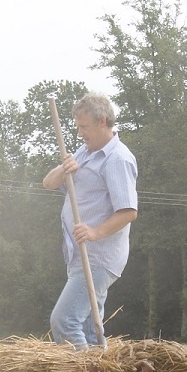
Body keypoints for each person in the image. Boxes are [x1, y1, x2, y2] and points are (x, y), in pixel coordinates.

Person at [40, 93, 138, 348]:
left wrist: (95, 232)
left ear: (102, 122)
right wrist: (64, 168)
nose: (80, 133)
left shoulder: (117, 158)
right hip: (78, 255)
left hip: (97, 258)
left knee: (64, 321)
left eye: (84, 127)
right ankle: (99, 369)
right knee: (89, 329)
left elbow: (128, 211)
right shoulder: (85, 152)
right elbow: (48, 183)